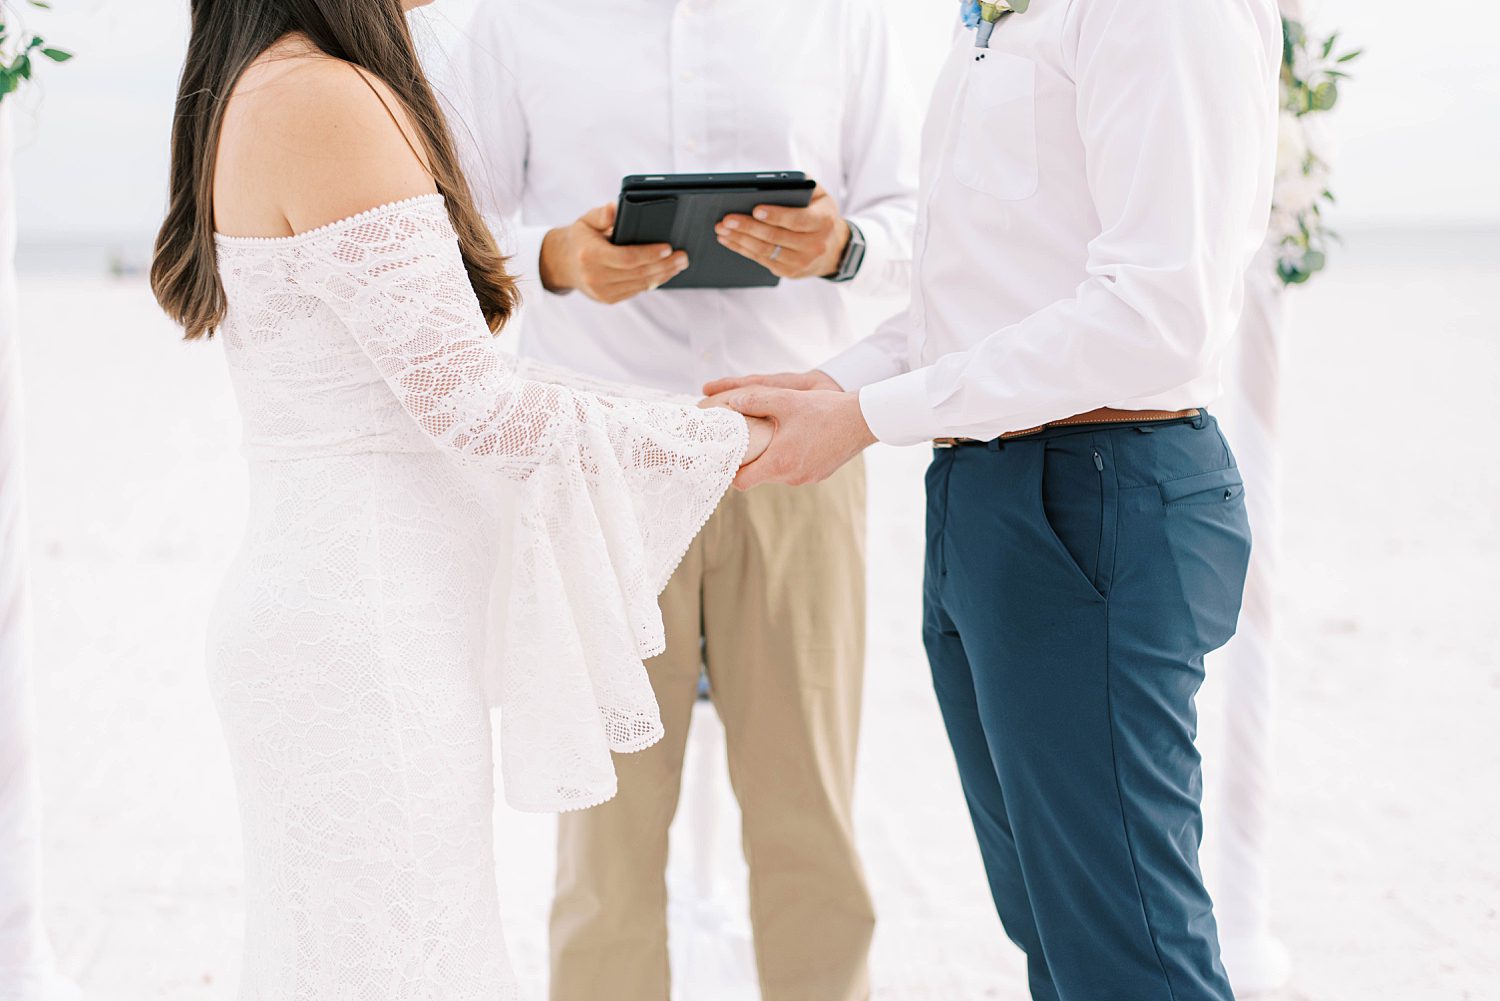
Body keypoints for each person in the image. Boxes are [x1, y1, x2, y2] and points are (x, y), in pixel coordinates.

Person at [148, 0, 772, 996]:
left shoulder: (268, 83)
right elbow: (470, 406)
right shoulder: (324, 96)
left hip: (340, 610)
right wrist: (721, 435)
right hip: (365, 633)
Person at [706, 0, 1282, 998]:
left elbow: (1158, 314)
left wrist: (872, 414)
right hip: (988, 489)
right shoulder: (990, 28)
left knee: (1127, 947)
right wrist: (839, 387)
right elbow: (967, 303)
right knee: (1054, 932)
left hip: (1098, 492)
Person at [446, 4, 917, 1000]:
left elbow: (918, 223)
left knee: (812, 824)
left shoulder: (840, 19)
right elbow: (448, 230)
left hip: (796, 458)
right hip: (598, 465)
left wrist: (841, 247)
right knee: (602, 850)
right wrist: (557, 260)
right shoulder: (516, 24)